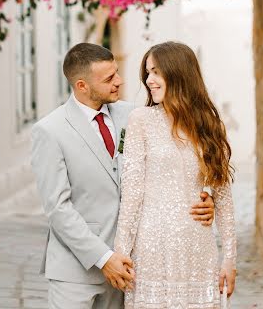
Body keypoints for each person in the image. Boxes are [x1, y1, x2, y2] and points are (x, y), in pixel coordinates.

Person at [31, 42, 215, 309]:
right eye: (108, 79)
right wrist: (104, 258)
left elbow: (185, 154)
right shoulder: (50, 131)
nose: (119, 81)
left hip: (130, 266)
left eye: (116, 72)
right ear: (82, 85)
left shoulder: (135, 116)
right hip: (76, 272)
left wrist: (206, 197)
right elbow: (58, 209)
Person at [114, 41, 237, 309]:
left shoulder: (210, 125)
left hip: (198, 248)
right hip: (152, 247)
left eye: (156, 72)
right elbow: (132, 191)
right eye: (147, 73)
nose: (149, 80)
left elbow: (224, 197)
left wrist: (229, 258)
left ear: (179, 73)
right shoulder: (141, 120)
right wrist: (121, 251)